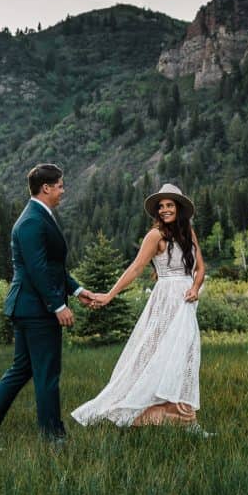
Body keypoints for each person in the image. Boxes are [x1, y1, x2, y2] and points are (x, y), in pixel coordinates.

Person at [0, 164, 93, 445]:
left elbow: (51, 265)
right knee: (47, 373)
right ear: (45, 188)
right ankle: (53, 438)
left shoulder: (38, 216)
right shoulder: (33, 220)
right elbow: (37, 269)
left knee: (21, 369)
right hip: (36, 309)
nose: (63, 190)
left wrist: (78, 289)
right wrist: (58, 306)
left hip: (27, 307)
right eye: (60, 185)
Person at [71, 184, 208, 430]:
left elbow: (200, 267)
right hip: (166, 298)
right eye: (161, 206)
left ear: (179, 208)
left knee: (186, 352)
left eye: (170, 205)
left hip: (186, 300)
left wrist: (196, 288)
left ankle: (181, 412)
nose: (165, 210)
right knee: (159, 350)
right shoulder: (155, 236)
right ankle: (141, 408)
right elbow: (135, 268)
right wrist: (110, 295)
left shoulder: (188, 231)